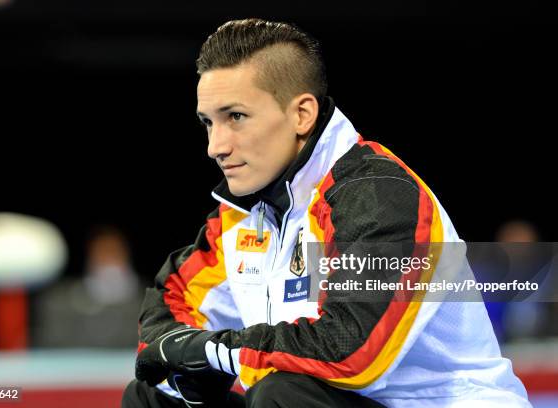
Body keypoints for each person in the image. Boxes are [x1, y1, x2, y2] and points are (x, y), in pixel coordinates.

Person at [122, 18, 531, 407]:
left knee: (283, 393)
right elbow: (167, 312)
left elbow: (351, 354)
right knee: (150, 398)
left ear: (302, 114)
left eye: (236, 117)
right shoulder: (247, 215)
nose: (216, 146)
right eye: (208, 123)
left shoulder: (378, 195)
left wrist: (214, 350)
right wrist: (188, 357)